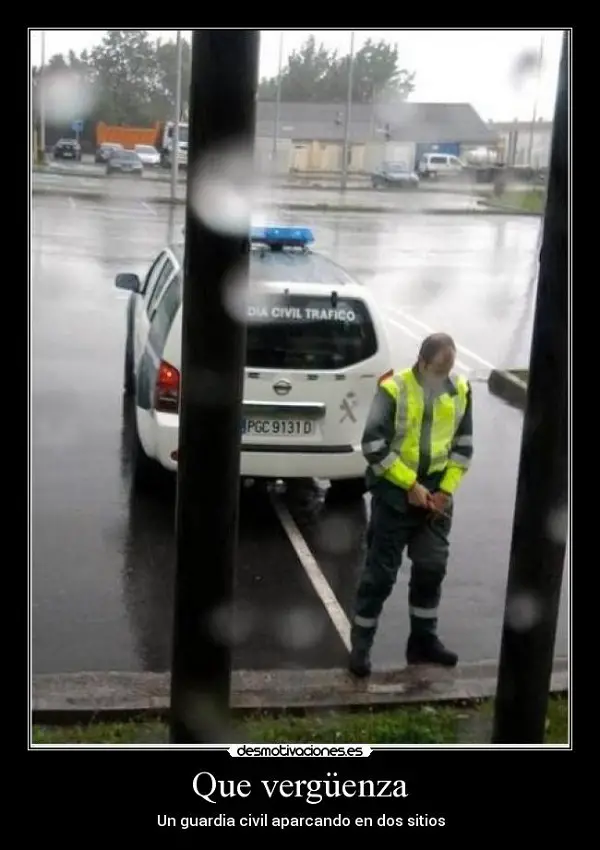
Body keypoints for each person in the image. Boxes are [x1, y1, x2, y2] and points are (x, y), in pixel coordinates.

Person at [349, 332, 474, 678]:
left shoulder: (460, 390)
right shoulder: (394, 389)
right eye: (437, 368)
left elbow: (463, 448)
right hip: (395, 496)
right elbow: (373, 445)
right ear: (421, 362)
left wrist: (445, 492)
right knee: (380, 576)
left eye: (448, 368)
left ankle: (423, 642)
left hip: (435, 499)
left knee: (431, 568)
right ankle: (361, 645)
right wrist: (410, 484)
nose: (443, 375)